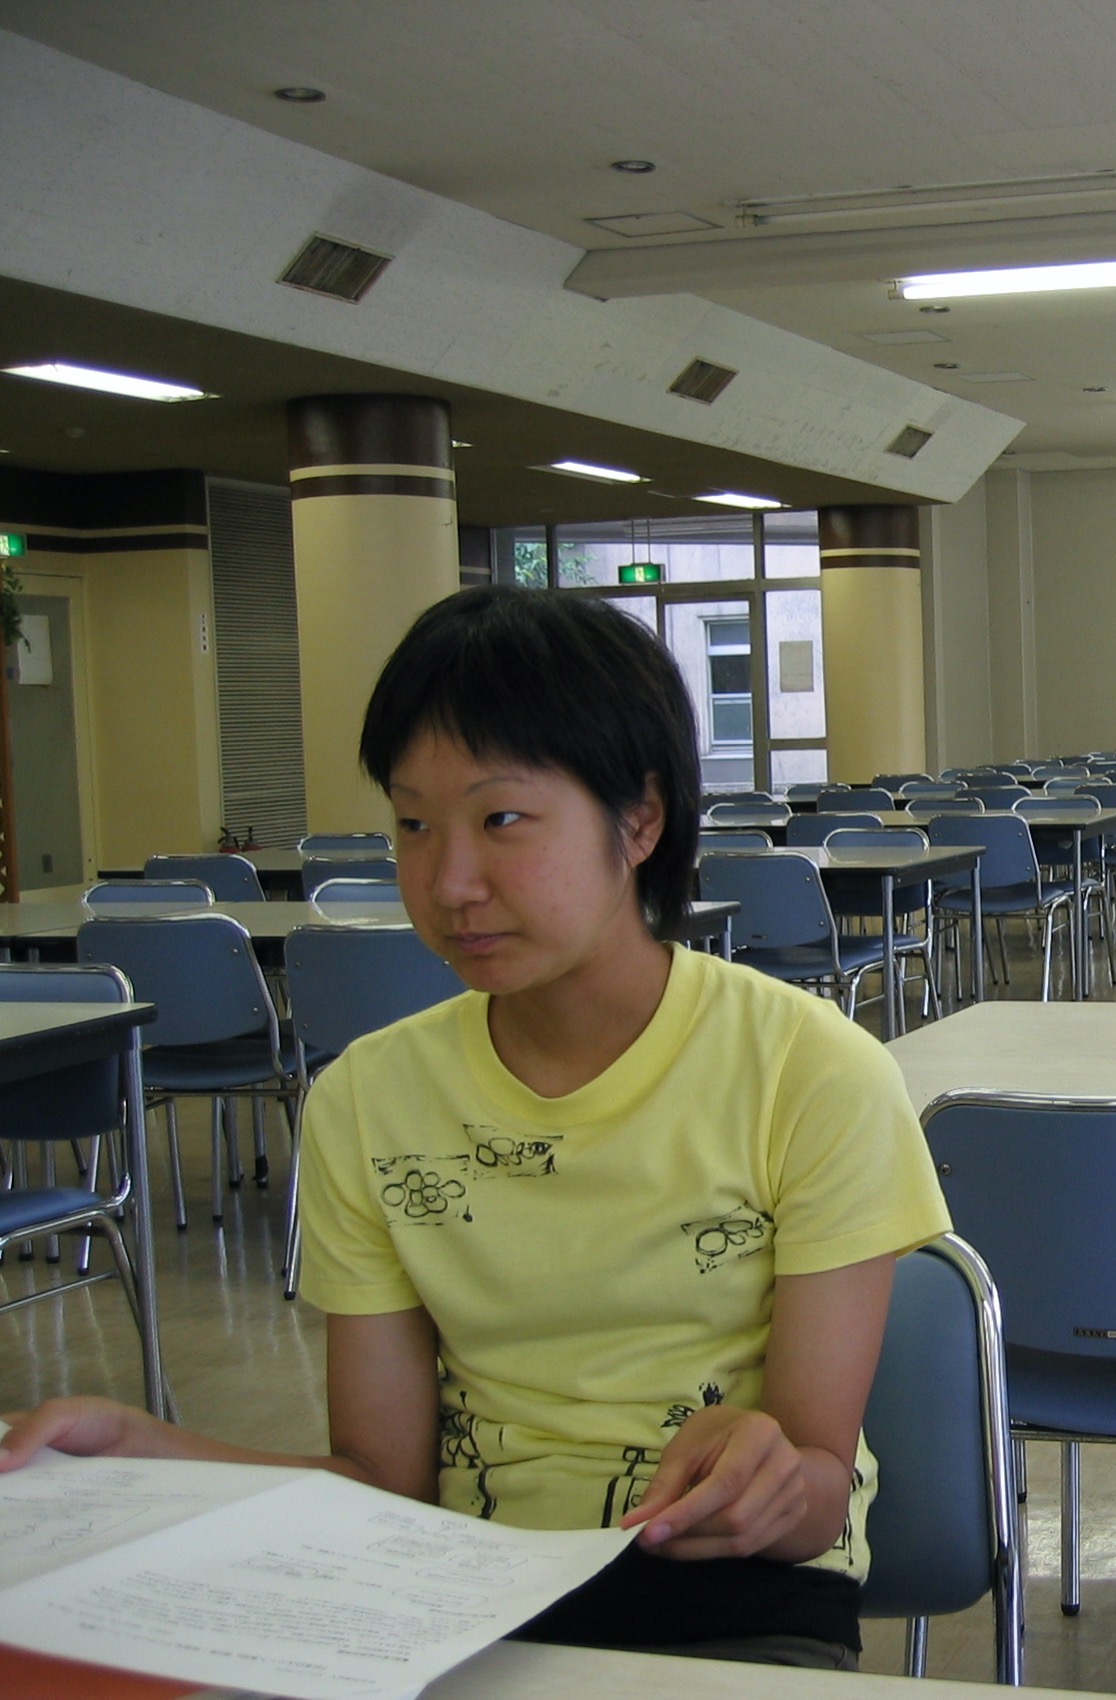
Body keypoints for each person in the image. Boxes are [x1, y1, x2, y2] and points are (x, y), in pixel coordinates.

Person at [0, 586, 950, 1670]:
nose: (449, 882)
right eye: (412, 823)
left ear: (640, 818)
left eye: (501, 818)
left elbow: (820, 1488)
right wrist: (140, 1449)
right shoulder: (367, 1098)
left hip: (730, 1592)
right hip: (457, 1590)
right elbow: (380, 1481)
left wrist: (769, 1481)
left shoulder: (810, 1070)